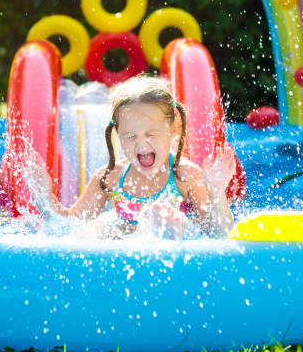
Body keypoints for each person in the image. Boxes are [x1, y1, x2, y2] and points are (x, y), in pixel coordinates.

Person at [26, 76, 236, 239]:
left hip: (178, 259)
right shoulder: (110, 177)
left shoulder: (185, 176)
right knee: (98, 231)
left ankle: (167, 230)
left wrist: (216, 191)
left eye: (151, 134)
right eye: (130, 136)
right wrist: (44, 199)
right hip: (126, 261)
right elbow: (68, 227)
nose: (141, 144)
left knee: (172, 224)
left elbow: (218, 233)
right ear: (117, 134)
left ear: (174, 129)